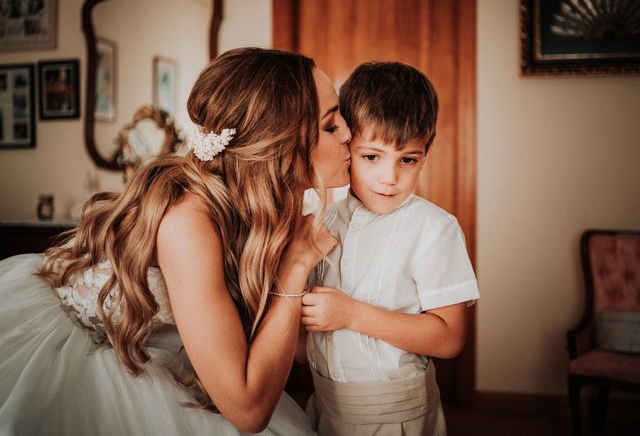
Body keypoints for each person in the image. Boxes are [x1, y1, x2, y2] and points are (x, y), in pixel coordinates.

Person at [0, 47, 353, 435]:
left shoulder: (271, 205)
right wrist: (295, 266)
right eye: (331, 126)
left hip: (165, 349)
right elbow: (248, 410)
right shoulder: (188, 221)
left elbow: (288, 342)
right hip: (71, 356)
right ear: (279, 141)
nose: (350, 135)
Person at [301, 62, 480, 435]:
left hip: (398, 418)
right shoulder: (322, 220)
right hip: (324, 409)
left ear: (425, 152)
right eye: (371, 157)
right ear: (346, 144)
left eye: (408, 160)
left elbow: (449, 338)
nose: (389, 178)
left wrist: (351, 315)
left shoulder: (434, 228)